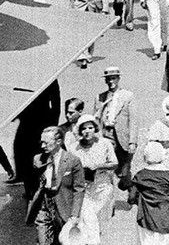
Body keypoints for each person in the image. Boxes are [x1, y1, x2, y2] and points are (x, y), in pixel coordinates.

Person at [31, 125, 85, 245]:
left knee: (63, 241)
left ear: (59, 141)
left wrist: (75, 215)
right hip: (44, 206)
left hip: (64, 206)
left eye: (46, 143)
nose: (42, 146)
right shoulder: (38, 159)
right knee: (43, 241)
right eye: (41, 142)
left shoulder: (73, 160)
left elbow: (79, 189)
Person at [72, 113, 119, 242]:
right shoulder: (74, 148)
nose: (87, 131)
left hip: (102, 187)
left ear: (95, 129)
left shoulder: (105, 144)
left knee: (95, 221)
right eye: (84, 128)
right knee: (88, 217)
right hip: (84, 189)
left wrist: (98, 166)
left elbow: (114, 164)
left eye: (90, 128)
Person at [127, 140, 169, 245]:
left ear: (145, 157)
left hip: (146, 218)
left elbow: (131, 197)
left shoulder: (141, 175)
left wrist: (138, 201)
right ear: (162, 156)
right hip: (165, 219)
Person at [96, 66, 135, 189]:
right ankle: (108, 193)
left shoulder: (128, 96)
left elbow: (133, 120)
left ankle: (131, 190)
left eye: (113, 79)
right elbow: (96, 120)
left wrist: (132, 142)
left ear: (118, 79)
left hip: (122, 136)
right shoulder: (100, 97)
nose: (111, 82)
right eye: (108, 79)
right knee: (107, 167)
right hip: (107, 134)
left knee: (123, 170)